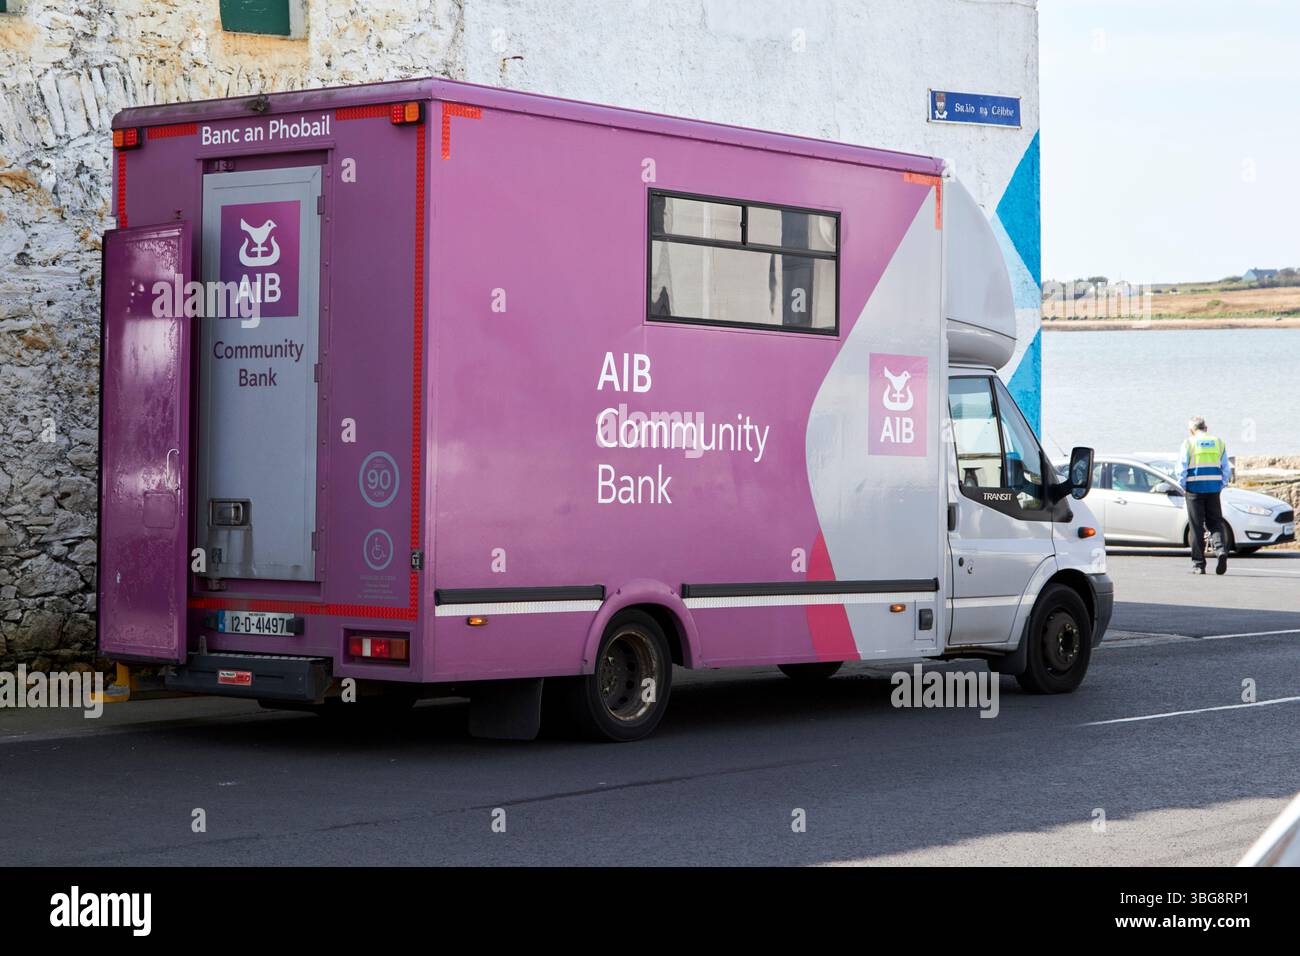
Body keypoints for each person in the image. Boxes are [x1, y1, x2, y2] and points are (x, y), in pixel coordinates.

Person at [1177, 416, 1232, 575]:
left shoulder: (1188, 443)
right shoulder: (1219, 442)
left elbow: (1181, 469)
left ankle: (1199, 564)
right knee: (1215, 523)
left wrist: (1183, 487)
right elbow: (1226, 469)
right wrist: (1220, 485)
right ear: (1206, 427)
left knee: (1196, 526)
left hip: (1194, 489)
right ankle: (1221, 550)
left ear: (1191, 430)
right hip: (1213, 489)